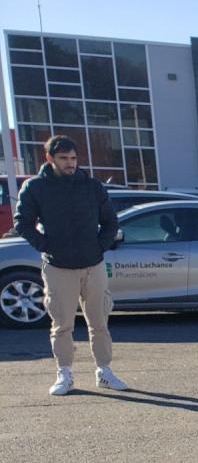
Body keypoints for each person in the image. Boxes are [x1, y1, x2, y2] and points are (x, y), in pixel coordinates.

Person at [14, 134, 128, 395]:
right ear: (50, 158)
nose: (70, 163)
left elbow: (111, 222)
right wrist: (46, 246)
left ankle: (104, 371)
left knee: (99, 322)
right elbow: (22, 222)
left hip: (93, 265)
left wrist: (99, 246)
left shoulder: (92, 187)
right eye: (64, 158)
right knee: (62, 324)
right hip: (58, 267)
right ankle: (65, 374)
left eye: (73, 158)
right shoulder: (35, 188)